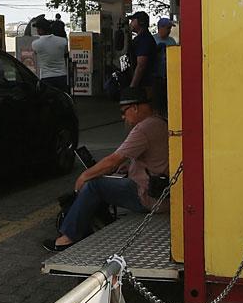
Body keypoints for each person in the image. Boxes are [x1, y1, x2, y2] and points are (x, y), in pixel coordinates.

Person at [44, 87, 168, 251]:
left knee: (94, 186)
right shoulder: (161, 122)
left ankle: (67, 238)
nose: (123, 117)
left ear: (135, 107)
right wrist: (126, 167)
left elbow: (113, 160)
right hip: (163, 194)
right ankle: (101, 222)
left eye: (124, 112)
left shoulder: (144, 128)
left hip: (150, 197)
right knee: (105, 181)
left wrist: (85, 175)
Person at [31, 18, 69, 93]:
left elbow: (35, 53)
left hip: (46, 78)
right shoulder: (63, 41)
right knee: (62, 101)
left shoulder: (35, 44)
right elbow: (65, 54)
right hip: (62, 77)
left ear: (40, 30)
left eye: (37, 28)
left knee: (48, 102)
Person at [124, 11, 158, 89]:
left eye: (133, 20)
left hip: (144, 84)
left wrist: (132, 87)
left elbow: (141, 65)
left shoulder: (144, 39)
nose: (130, 23)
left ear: (140, 22)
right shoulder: (140, 39)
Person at [153, 17, 177, 115]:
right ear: (160, 28)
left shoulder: (172, 41)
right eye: (167, 28)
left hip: (169, 75)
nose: (169, 31)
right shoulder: (153, 40)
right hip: (156, 76)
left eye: (170, 29)